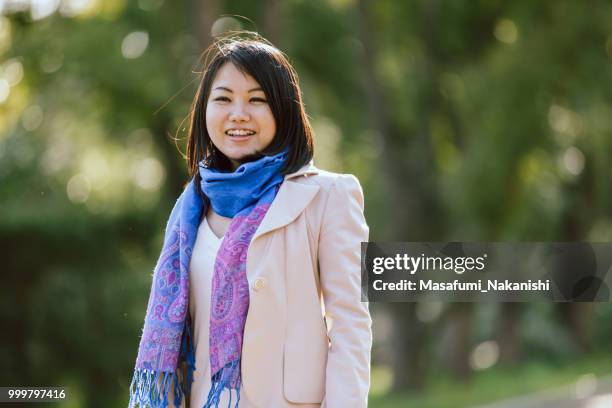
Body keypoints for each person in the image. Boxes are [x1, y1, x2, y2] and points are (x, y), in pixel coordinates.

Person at [128, 32, 371, 408]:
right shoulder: (189, 210)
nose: (238, 113)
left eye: (257, 100)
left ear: (284, 110)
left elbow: (350, 327)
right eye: (223, 99)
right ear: (204, 111)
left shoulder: (327, 197)